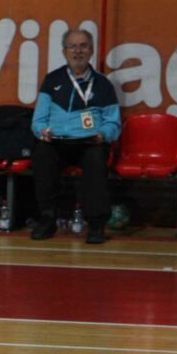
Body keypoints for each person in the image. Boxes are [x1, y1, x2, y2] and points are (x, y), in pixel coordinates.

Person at [29, 29, 120, 244]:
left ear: (91, 51)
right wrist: (42, 131)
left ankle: (96, 225)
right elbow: (38, 119)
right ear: (64, 51)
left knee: (96, 159)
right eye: (73, 46)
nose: (78, 51)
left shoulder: (103, 84)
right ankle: (47, 219)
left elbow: (113, 123)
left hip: (90, 143)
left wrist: (103, 135)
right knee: (42, 154)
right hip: (57, 142)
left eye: (83, 46)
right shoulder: (52, 80)